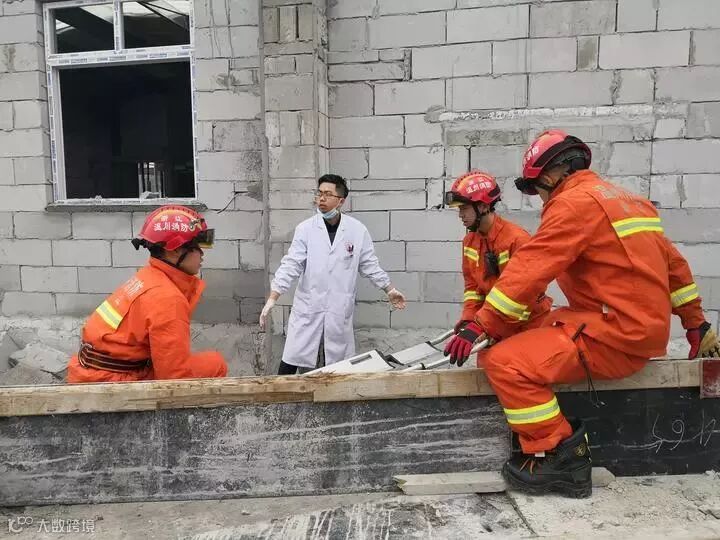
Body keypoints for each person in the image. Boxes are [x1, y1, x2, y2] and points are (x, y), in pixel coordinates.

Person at [444, 130, 720, 498]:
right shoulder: (631, 202)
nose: (540, 198)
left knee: (501, 362)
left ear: (549, 176)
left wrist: (480, 324)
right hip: (631, 327)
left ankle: (561, 456)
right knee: (529, 333)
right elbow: (676, 268)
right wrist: (696, 323)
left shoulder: (571, 205)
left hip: (613, 336)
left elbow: (532, 268)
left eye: (537, 189)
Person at [260, 174, 406, 374]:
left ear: (341, 201)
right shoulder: (305, 229)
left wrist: (389, 289)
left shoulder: (357, 230)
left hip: (338, 307)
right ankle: (279, 394)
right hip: (309, 306)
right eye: (319, 193)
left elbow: (369, 265)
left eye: (328, 194)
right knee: (292, 357)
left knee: (340, 366)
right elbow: (291, 264)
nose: (321, 199)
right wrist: (273, 297)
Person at [66, 205, 228, 383]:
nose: (202, 253)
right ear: (174, 250)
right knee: (216, 363)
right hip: (110, 380)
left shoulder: (148, 277)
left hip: (92, 371)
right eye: (197, 245)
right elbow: (174, 376)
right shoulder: (167, 298)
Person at [445, 170, 552, 365]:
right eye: (459, 209)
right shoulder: (470, 242)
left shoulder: (516, 240)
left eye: (464, 208)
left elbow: (523, 296)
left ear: (483, 206)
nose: (460, 215)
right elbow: (473, 289)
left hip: (527, 327)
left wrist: (485, 327)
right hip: (493, 323)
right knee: (485, 370)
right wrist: (469, 320)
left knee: (515, 374)